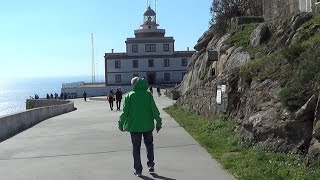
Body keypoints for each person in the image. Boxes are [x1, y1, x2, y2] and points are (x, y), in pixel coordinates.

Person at [118, 77, 162, 177]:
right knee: (149, 145)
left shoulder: (129, 96)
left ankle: (138, 170)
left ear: (134, 85)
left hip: (134, 127)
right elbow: (154, 110)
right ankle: (150, 165)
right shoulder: (148, 95)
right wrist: (158, 123)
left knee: (136, 148)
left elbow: (125, 112)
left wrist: (121, 123)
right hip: (148, 126)